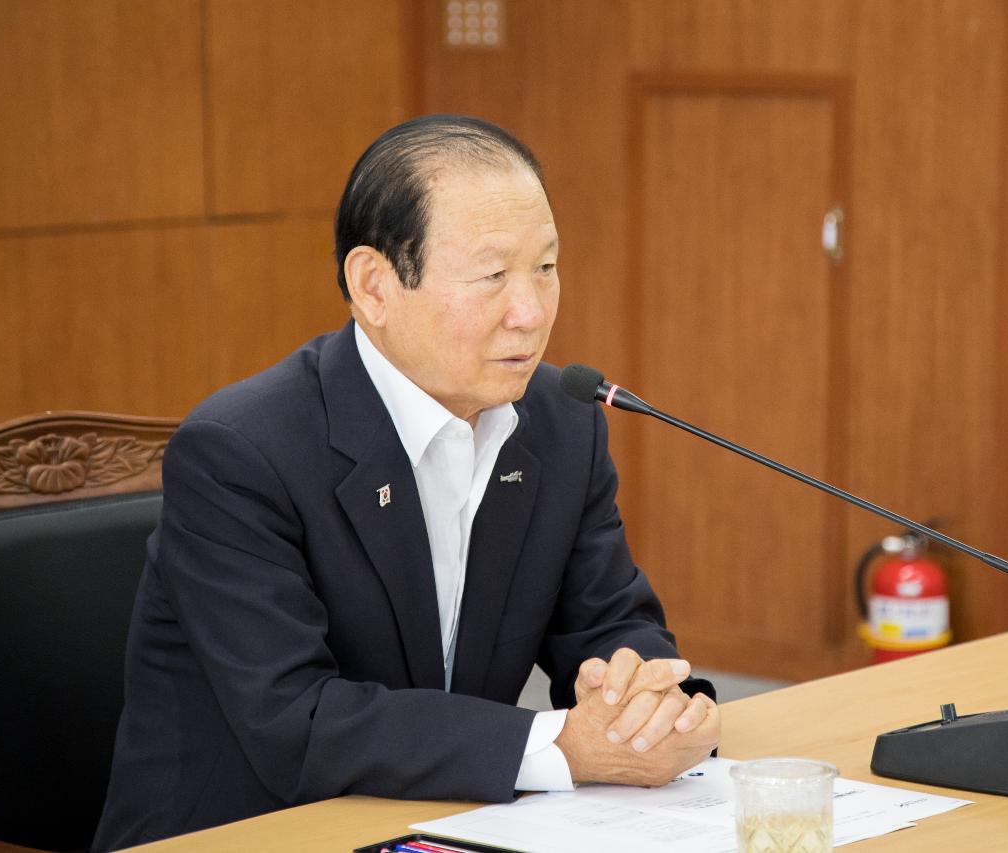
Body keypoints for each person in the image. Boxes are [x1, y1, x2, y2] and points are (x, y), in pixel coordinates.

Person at [92, 115, 719, 850]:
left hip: (441, 822)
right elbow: (298, 720)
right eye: (492, 275)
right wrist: (561, 747)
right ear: (375, 285)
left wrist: (651, 699)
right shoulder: (241, 452)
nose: (531, 312)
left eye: (545, 267)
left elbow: (610, 618)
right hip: (248, 830)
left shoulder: (560, 420)